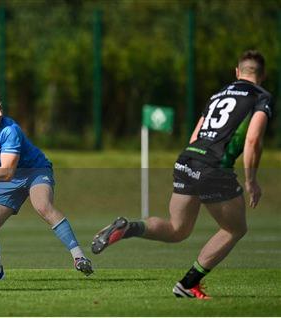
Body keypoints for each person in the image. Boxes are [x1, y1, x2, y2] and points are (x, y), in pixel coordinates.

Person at [91, 50, 273, 299]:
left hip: (188, 158)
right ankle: (188, 284)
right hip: (213, 167)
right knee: (234, 229)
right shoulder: (261, 97)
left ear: (237, 72)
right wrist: (251, 180)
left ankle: (130, 228)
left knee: (178, 229)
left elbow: (194, 136)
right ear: (263, 75)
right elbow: (253, 140)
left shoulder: (217, 95)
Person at [0, 89, 93, 280]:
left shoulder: (9, 130)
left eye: (0, 108)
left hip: (35, 171)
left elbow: (6, 171)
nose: (0, 114)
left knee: (43, 205)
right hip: (9, 179)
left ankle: (79, 257)